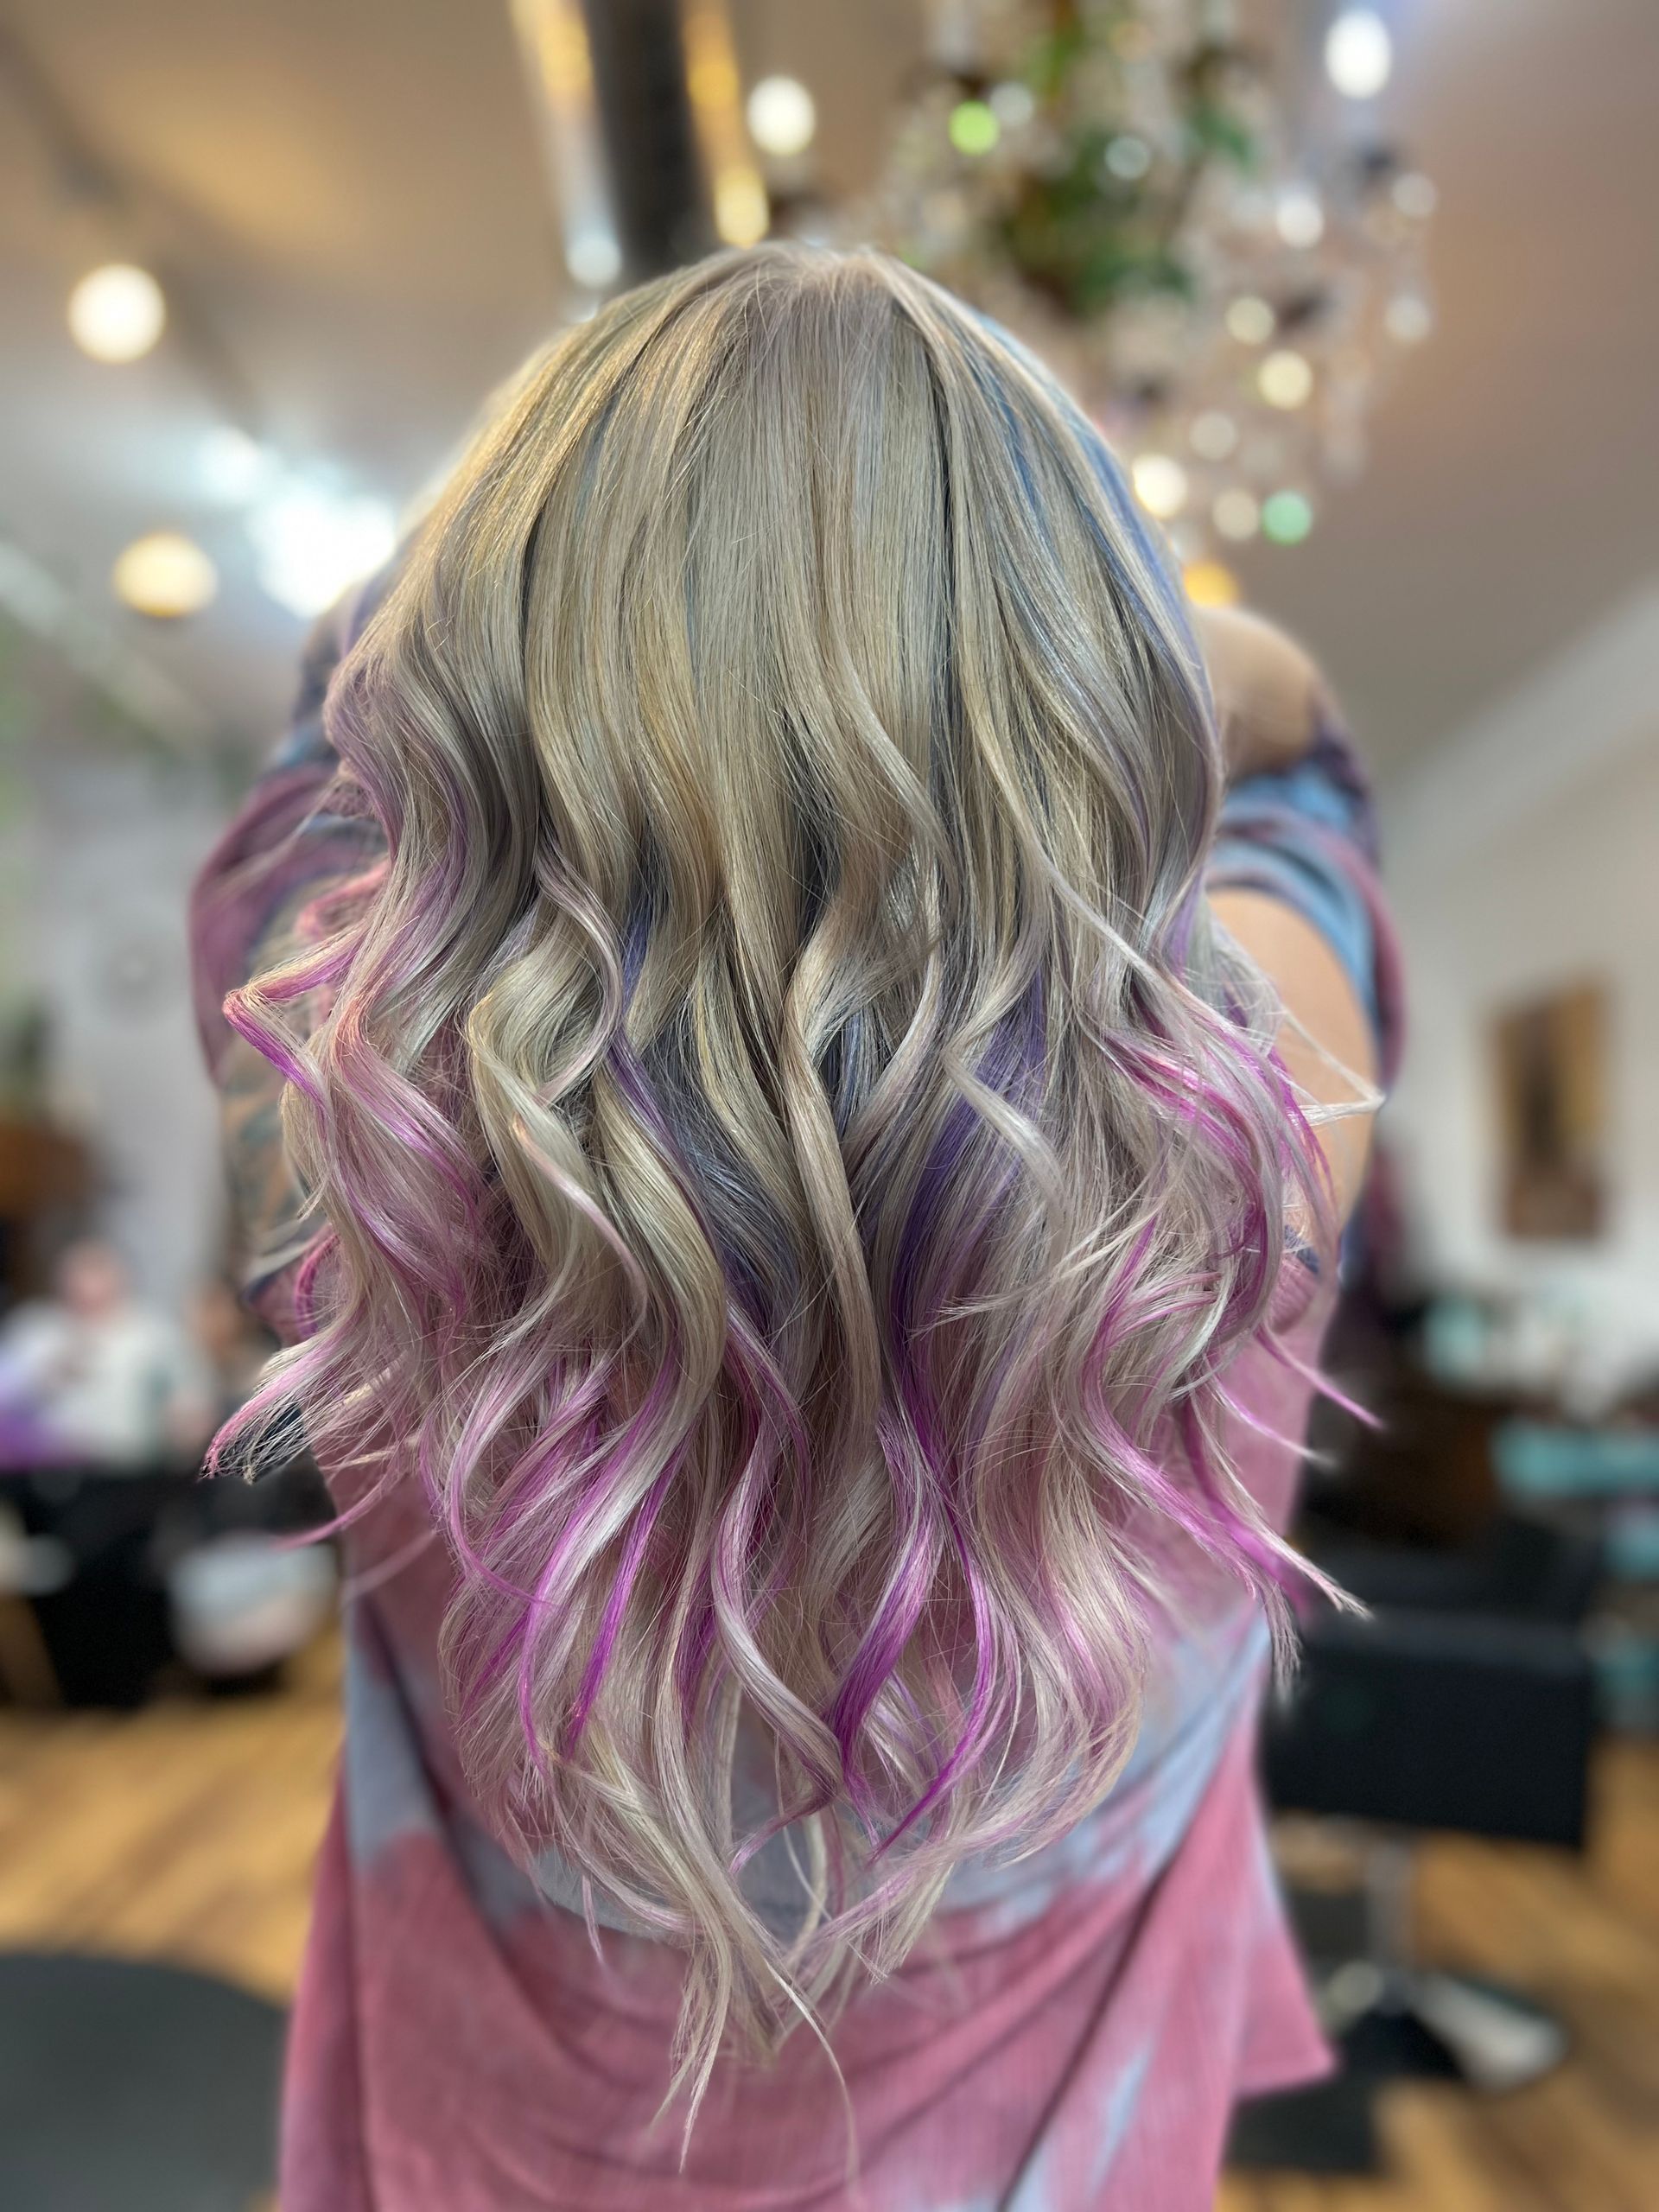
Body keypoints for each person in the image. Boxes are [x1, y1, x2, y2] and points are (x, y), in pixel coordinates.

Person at [190, 245, 1400, 2212]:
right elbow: (1302, 771)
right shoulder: (1250, 1158)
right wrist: (1194, 639)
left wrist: (558, 538)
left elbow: (314, 739)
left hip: (490, 2154)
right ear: (1100, 734)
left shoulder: (362, 1146)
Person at [0, 1237, 213, 1470]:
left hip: (129, 1467)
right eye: (77, 1272)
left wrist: (186, 1418)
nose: (86, 1284)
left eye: (97, 1270)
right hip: (44, 1469)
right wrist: (44, 1374)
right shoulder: (36, 1329)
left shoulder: (153, 1332)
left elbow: (191, 1391)